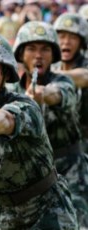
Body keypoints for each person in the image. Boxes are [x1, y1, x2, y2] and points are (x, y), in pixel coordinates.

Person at [0, 33, 78, 229]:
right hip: (4, 214)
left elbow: (6, 119)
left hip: (48, 212)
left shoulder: (25, 105)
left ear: (6, 74)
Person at [10, 21, 88, 227]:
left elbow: (60, 94)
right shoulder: (12, 92)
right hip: (31, 180)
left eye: (45, 49)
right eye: (31, 49)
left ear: (53, 55)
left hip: (70, 171)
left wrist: (42, 94)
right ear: (20, 54)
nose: (38, 55)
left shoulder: (64, 82)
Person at [53, 13, 88, 154]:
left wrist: (51, 77)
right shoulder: (53, 66)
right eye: (61, 36)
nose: (66, 42)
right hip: (58, 146)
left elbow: (84, 76)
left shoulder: (84, 64)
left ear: (81, 42)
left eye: (72, 37)